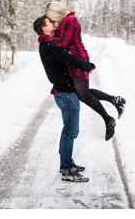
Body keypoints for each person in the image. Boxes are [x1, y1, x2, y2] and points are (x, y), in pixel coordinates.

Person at [41, 1, 126, 141]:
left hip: (76, 57)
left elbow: (62, 43)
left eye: (51, 17)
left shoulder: (69, 19)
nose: (52, 20)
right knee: (81, 93)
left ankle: (109, 118)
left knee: (83, 94)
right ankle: (115, 101)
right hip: (73, 58)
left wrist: (44, 38)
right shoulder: (65, 21)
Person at [33, 15, 96, 182]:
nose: (54, 23)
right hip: (66, 94)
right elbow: (70, 58)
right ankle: (68, 170)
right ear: (44, 29)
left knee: (68, 130)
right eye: (50, 22)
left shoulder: (46, 43)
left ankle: (66, 163)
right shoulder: (50, 45)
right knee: (70, 132)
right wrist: (88, 66)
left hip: (64, 92)